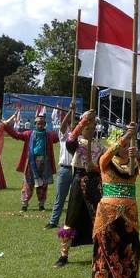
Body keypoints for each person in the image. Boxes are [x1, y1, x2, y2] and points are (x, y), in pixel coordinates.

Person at [91, 124, 140, 278]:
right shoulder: (106, 163)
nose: (125, 148)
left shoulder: (133, 164)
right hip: (107, 215)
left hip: (129, 216)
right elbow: (104, 158)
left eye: (128, 145)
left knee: (130, 251)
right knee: (105, 251)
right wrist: (125, 137)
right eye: (122, 145)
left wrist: (138, 156)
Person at [54, 110, 104, 268]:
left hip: (94, 182)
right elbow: (70, 139)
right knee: (71, 217)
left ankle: (99, 254)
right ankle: (63, 255)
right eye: (87, 127)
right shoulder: (77, 142)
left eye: (93, 126)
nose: (91, 129)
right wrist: (83, 120)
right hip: (78, 181)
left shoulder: (99, 147)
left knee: (97, 217)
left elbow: (104, 167)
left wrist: (94, 167)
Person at [4, 112, 59, 212]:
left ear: (45, 124)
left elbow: (59, 137)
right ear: (35, 124)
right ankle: (24, 204)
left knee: (43, 185)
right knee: (28, 183)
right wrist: (6, 127)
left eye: (42, 123)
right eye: (38, 123)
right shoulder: (29, 134)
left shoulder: (49, 135)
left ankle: (41, 204)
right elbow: (16, 135)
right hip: (31, 163)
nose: (40, 125)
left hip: (44, 163)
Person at [46, 107, 74, 229]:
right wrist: (70, 111)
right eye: (72, 124)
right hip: (64, 169)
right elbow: (62, 126)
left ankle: (73, 222)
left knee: (76, 199)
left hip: (76, 170)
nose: (74, 127)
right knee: (60, 197)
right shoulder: (64, 135)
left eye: (77, 124)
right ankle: (53, 221)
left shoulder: (81, 138)